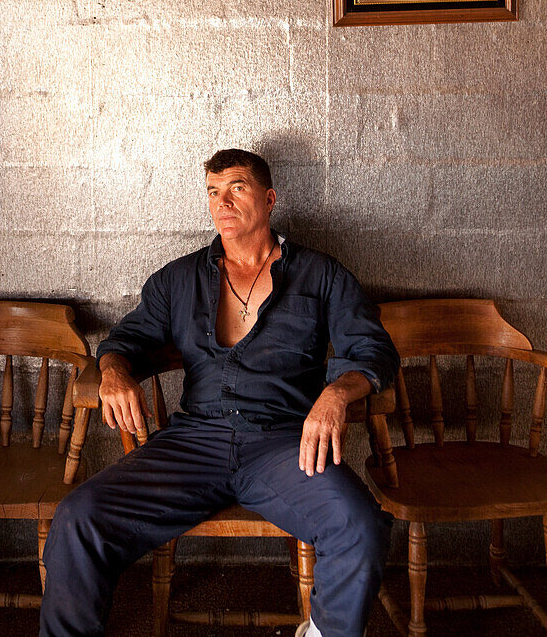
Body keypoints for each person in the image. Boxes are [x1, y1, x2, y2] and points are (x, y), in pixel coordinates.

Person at [40, 149, 399, 637]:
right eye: (213, 191)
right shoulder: (178, 279)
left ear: (269, 199)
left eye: (237, 188)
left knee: (359, 524)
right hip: (193, 443)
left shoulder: (322, 275)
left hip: (283, 447)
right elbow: (125, 341)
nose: (222, 202)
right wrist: (113, 371)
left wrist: (337, 393)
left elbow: (373, 352)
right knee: (77, 518)